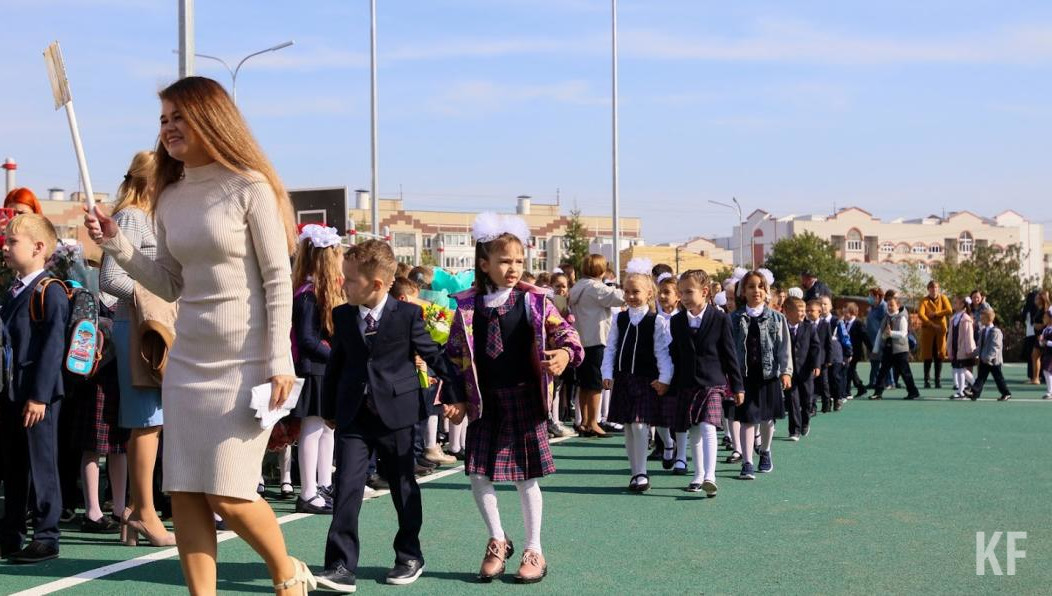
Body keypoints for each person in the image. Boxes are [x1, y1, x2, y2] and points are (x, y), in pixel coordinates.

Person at [84, 76, 314, 593]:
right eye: (163, 118)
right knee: (185, 491)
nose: (168, 128)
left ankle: (285, 570)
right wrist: (117, 244)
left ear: (212, 119)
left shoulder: (250, 186)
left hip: (247, 362)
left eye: (179, 116)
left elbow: (278, 278)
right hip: (187, 361)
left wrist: (281, 359)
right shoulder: (169, 195)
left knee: (229, 494)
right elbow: (168, 280)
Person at [314, 240, 463, 591]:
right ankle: (340, 565)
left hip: (396, 414)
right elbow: (337, 364)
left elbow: (433, 355)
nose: (343, 285)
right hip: (353, 416)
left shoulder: (408, 315)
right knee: (347, 486)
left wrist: (458, 395)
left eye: (350, 280)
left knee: (403, 487)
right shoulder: (342, 315)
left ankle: (409, 555)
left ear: (376, 284)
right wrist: (329, 409)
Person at [444, 213, 584, 584]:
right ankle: (496, 538)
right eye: (504, 260)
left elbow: (569, 337)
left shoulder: (535, 302)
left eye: (519, 261)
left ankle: (534, 548)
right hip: (484, 402)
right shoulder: (466, 307)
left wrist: (565, 355)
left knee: (526, 478)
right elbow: (455, 357)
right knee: (476, 473)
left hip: (524, 399)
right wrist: (455, 398)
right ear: (484, 263)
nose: (513, 268)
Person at [97, 150, 175, 547]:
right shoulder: (133, 216)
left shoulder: (144, 217)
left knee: (151, 422)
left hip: (144, 326)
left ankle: (136, 509)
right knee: (147, 422)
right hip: (137, 327)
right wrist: (158, 295)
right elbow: (110, 278)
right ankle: (142, 511)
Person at [0, 214, 69, 563]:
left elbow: (52, 347)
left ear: (39, 248)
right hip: (12, 393)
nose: (6, 247)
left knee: (42, 465)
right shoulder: (13, 290)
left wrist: (40, 396)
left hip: (36, 395)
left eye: (13, 242)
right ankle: (11, 533)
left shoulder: (49, 291)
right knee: (13, 466)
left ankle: (47, 535)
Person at [666, 270, 743, 493]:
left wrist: (737, 386)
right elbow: (677, 355)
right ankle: (698, 474)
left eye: (689, 292)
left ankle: (710, 475)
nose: (684, 297)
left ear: (705, 292)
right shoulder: (677, 321)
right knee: (694, 430)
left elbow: (730, 354)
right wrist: (671, 384)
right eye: (681, 292)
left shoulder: (720, 318)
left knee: (709, 426)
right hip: (687, 383)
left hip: (713, 382)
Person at [600, 260, 672, 493]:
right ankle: (635, 471)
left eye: (636, 292)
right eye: (627, 291)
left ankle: (642, 472)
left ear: (649, 293)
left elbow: (662, 352)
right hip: (623, 378)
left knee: (641, 426)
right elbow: (611, 347)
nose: (630, 296)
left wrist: (665, 378)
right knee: (629, 428)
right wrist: (607, 373)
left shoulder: (656, 321)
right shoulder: (620, 319)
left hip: (646, 380)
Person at [289, 224, 344, 516]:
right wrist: (337, 355)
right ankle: (308, 491)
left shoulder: (320, 292)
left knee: (326, 429)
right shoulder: (308, 294)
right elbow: (308, 340)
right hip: (312, 370)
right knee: (311, 429)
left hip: (324, 369)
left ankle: (324, 484)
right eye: (336, 254)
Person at [730, 272, 791, 479]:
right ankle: (747, 462)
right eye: (751, 286)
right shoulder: (735, 318)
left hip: (769, 375)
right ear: (743, 291)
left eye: (760, 287)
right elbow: (728, 350)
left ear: (766, 291)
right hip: (744, 376)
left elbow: (784, 348)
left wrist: (786, 372)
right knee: (747, 419)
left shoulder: (777, 318)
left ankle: (765, 451)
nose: (756, 290)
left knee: (766, 419)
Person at [568, 254, 625, 437]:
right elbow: (620, 298)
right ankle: (594, 422)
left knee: (584, 384)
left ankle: (584, 422)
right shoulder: (596, 288)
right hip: (596, 340)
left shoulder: (578, 287)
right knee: (595, 385)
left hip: (581, 341)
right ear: (601, 270)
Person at [869, 291, 920, 400]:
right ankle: (878, 393)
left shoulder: (901, 317)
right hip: (888, 349)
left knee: (905, 372)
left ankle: (913, 392)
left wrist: (891, 333)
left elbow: (903, 333)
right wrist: (876, 348)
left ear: (898, 306)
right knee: (882, 372)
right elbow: (880, 332)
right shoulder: (886, 317)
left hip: (901, 350)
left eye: (892, 305)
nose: (890, 307)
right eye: (888, 305)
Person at [784, 297, 820, 440]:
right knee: (792, 400)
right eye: (799, 311)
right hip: (789, 371)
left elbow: (815, 347)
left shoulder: (809, 327)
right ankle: (794, 430)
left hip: (806, 370)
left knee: (806, 401)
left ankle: (805, 422)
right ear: (789, 312)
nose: (803, 314)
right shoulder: (783, 327)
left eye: (804, 311)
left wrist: (816, 365)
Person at [970, 308, 1011, 402]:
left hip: (993, 361)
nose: (980, 319)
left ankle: (1006, 393)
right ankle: (974, 393)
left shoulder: (996, 331)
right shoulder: (983, 331)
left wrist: (989, 357)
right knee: (981, 377)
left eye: (982, 318)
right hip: (984, 360)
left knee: (998, 379)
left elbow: (995, 346)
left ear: (989, 319)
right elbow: (980, 346)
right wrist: (973, 353)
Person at [917, 281, 952, 389]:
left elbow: (949, 310)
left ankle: (938, 380)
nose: (934, 290)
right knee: (927, 357)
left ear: (938, 288)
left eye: (936, 287)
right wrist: (931, 323)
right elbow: (921, 314)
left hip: (940, 332)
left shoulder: (943, 298)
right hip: (928, 332)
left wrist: (935, 313)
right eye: (932, 288)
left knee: (939, 356)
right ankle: (927, 380)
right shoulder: (924, 300)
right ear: (928, 289)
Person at [819, 295, 851, 411]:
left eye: (825, 304)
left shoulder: (837, 321)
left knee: (835, 377)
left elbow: (845, 337)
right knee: (824, 379)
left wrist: (848, 352)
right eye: (821, 304)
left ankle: (837, 398)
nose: (823, 307)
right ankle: (826, 402)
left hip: (835, 353)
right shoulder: (816, 321)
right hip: (822, 354)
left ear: (830, 306)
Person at [946, 295, 977, 400]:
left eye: (956, 303)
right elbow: (950, 335)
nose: (953, 304)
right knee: (960, 369)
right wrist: (949, 348)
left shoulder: (966, 319)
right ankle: (976, 386)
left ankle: (961, 392)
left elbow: (969, 336)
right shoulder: (953, 318)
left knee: (961, 369)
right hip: (955, 348)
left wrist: (969, 349)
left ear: (962, 304)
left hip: (963, 348)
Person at [843, 302, 868, 398]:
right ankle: (861, 388)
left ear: (853, 313)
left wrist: (872, 348)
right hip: (847, 351)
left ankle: (847, 391)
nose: (844, 315)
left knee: (850, 370)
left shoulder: (858, 323)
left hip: (856, 351)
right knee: (851, 370)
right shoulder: (844, 323)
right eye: (844, 313)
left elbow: (865, 337)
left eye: (847, 313)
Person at [1038, 311, 1052, 399]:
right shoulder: (1045, 329)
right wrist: (1041, 341)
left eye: (1046, 317)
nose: (1044, 319)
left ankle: (1050, 392)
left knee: (1047, 371)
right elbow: (1041, 343)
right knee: (1046, 371)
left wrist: (1046, 342)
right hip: (1047, 353)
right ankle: (1050, 391)